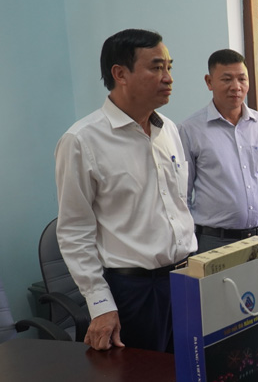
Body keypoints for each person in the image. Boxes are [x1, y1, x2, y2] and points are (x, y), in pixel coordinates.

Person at [54, 29, 197, 352]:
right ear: (120, 74)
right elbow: (74, 230)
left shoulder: (169, 130)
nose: (168, 77)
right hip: (133, 291)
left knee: (192, 370)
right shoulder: (82, 140)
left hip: (186, 280)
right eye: (156, 67)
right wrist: (100, 302)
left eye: (169, 67)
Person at [179, 49, 258, 350]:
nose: (236, 86)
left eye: (241, 78)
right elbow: (181, 194)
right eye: (226, 79)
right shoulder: (191, 130)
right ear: (209, 81)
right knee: (224, 331)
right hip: (214, 245)